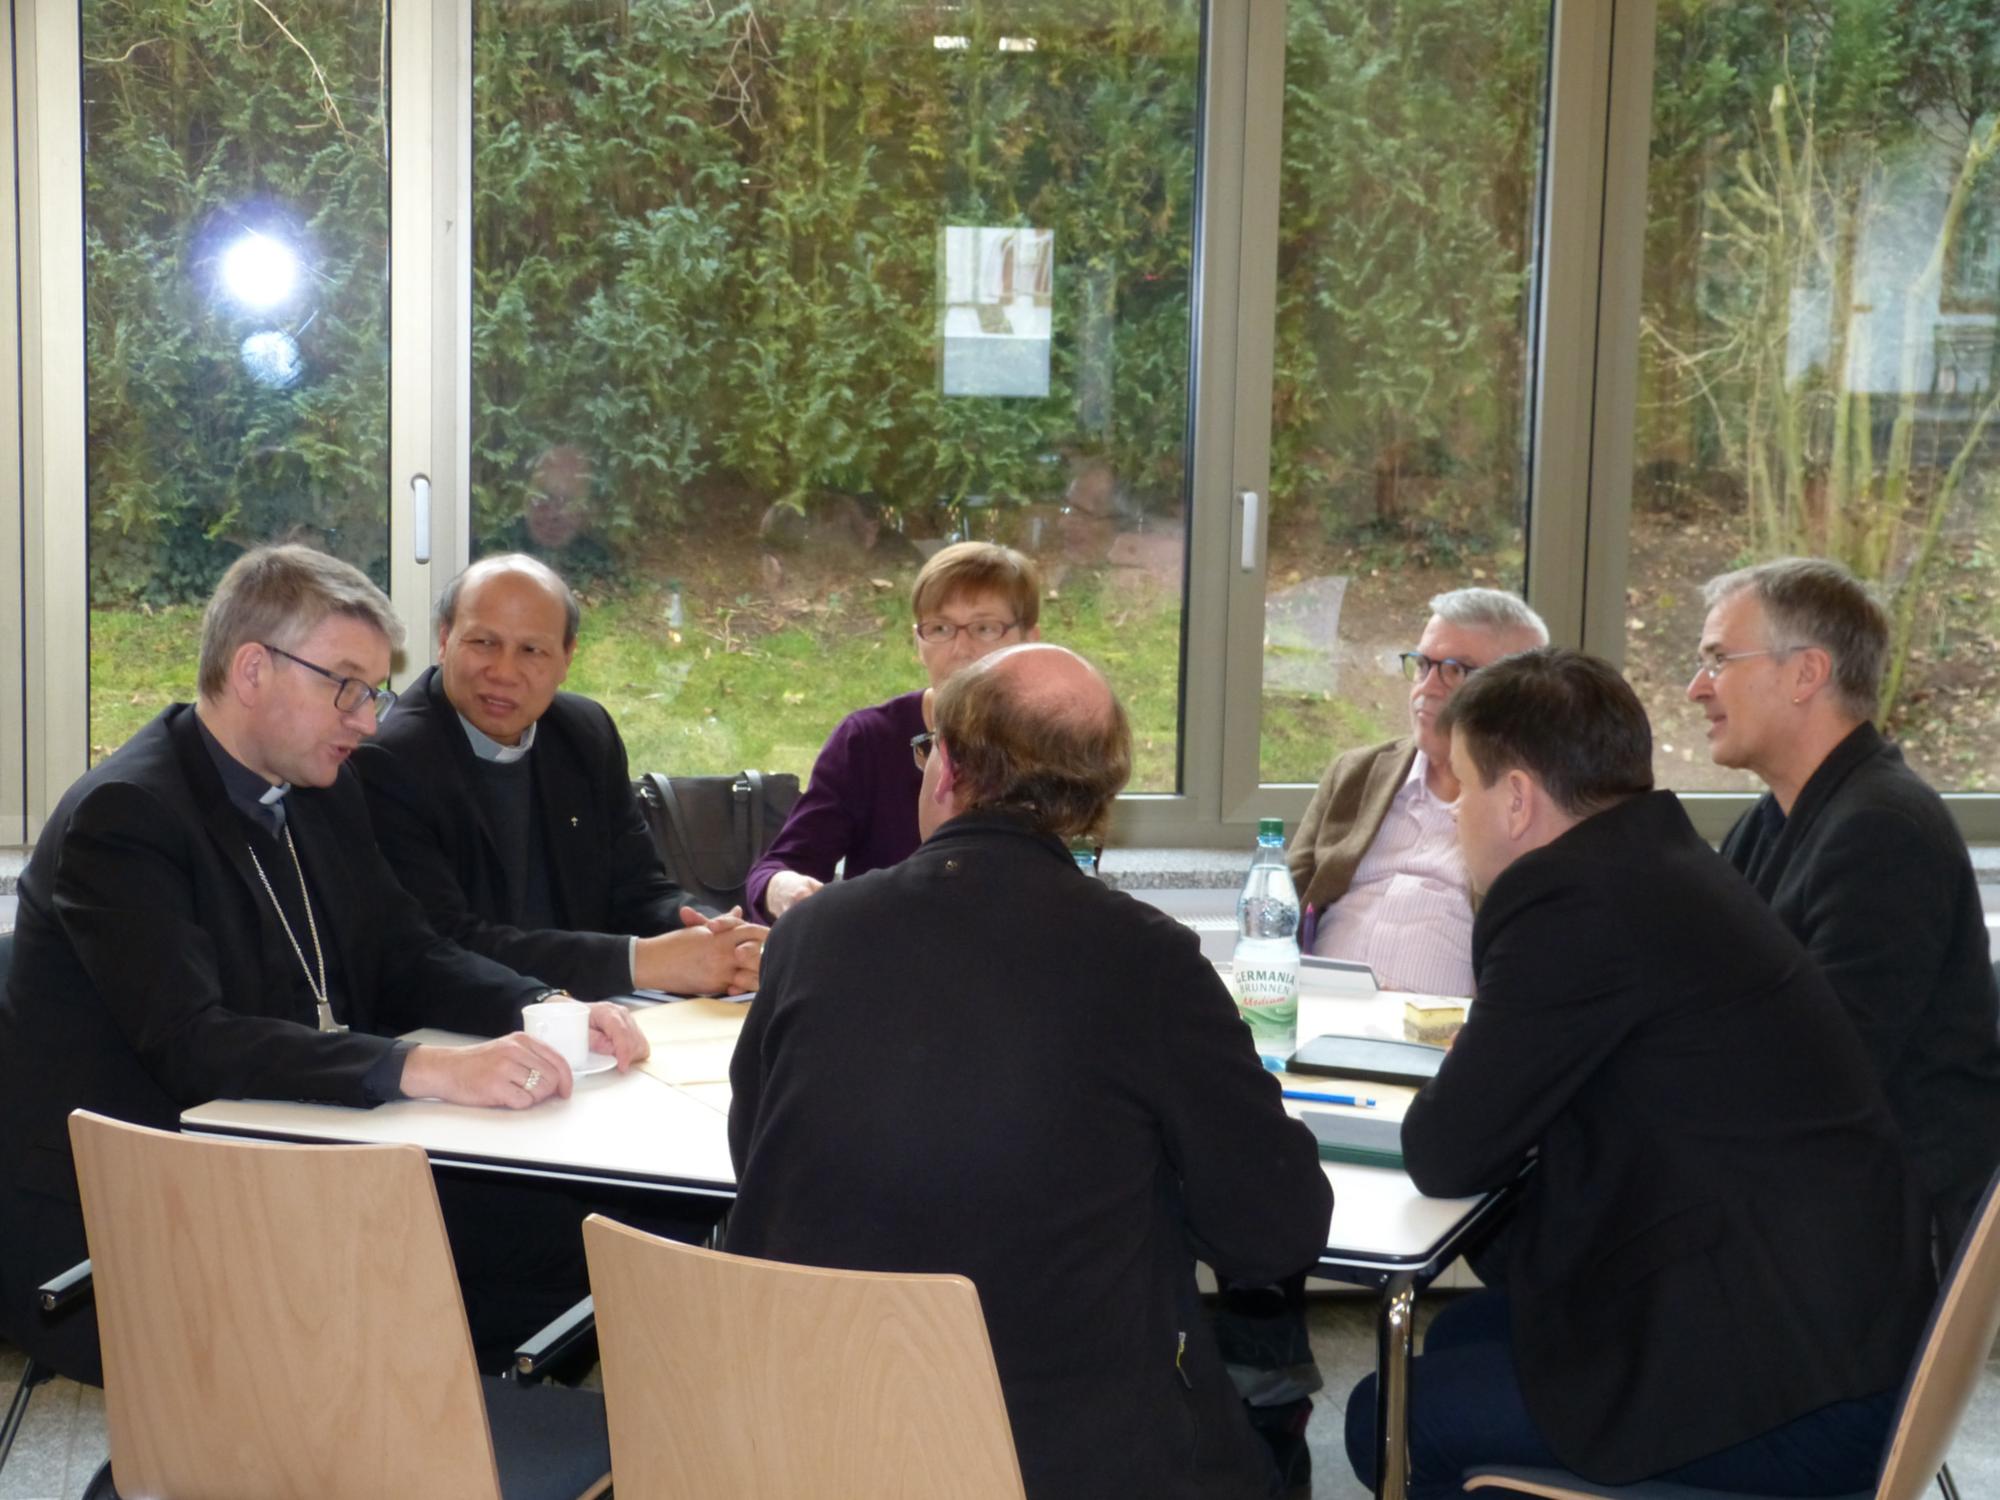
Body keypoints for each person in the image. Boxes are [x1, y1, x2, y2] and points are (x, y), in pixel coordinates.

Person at [0, 544, 649, 1381]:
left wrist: (546, 1006)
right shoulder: (126, 818)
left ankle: (418, 1451)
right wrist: (427, 1069)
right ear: (252, 670)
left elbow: (405, 953)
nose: (368, 720)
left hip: (290, 1151)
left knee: (584, 1233)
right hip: (138, 1213)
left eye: (373, 690)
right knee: (521, 1265)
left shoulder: (322, 787)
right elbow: (194, 1041)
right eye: (345, 686)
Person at [727, 643, 1331, 1500]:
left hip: (810, 1434)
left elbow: (757, 1159)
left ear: (952, 770)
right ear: (1094, 805)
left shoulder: (811, 935)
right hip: (1056, 1456)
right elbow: (1275, 1233)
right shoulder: (1145, 958)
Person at [1344, 648, 1935, 1499]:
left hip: (1792, 1396)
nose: (1455, 818)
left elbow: (1445, 1151)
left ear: (1516, 800)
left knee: (1389, 1414)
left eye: (1464, 790)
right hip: (1840, 1332)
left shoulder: (1571, 905)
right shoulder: (1661, 862)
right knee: (1470, 1333)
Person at [1692, 557, 2000, 1257]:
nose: (1695, 688)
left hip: (1864, 1245)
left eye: (1718, 660)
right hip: (1800, 1200)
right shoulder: (1773, 818)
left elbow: (1821, 1078)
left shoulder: (1885, 832)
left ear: (1805, 674)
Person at [354, 553, 764, 1000]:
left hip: (597, 1011)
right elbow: (446, 946)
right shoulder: (389, 762)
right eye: (483, 643)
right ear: (444, 639)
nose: (503, 672)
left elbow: (638, 888)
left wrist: (717, 936)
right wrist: (643, 961)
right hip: (462, 1030)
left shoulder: (584, 733)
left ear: (567, 658)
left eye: (532, 650)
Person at [744, 541, 1042, 922]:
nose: (960, 649)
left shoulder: (1056, 742)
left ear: (1030, 640)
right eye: (940, 628)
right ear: (918, 642)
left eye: (984, 628)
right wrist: (784, 888)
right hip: (883, 963)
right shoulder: (867, 741)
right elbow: (779, 867)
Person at [1287, 587, 1547, 996]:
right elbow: (1283, 901)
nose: (1428, 687)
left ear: (1524, 696)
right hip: (1318, 1019)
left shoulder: (1533, 805)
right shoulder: (1357, 773)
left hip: (1443, 1044)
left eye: (1457, 670)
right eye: (1423, 664)